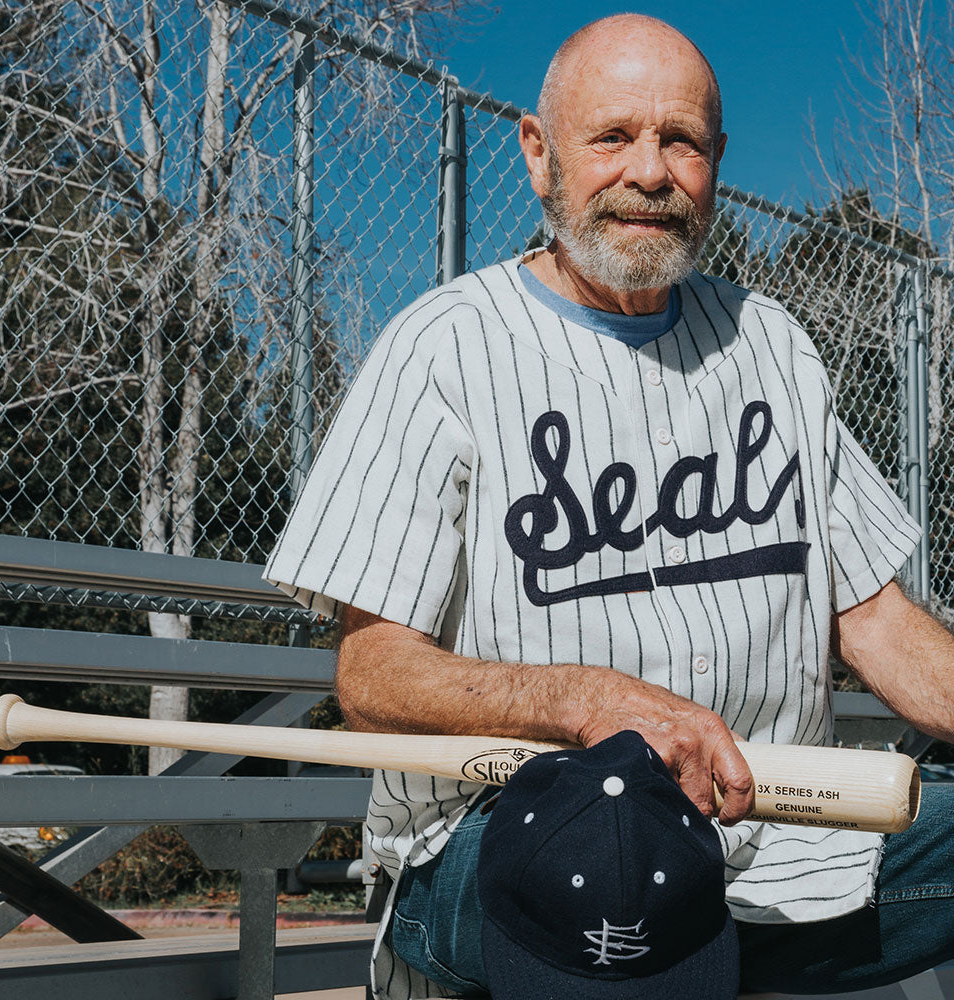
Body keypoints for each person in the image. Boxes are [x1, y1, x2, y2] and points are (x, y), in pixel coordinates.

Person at [265, 14, 954, 999]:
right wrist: (583, 700)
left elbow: (877, 620)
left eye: (680, 141)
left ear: (715, 160)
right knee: (625, 897)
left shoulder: (773, 348)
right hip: (515, 835)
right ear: (538, 153)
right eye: (612, 137)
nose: (650, 170)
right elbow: (372, 673)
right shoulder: (444, 350)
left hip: (767, 829)